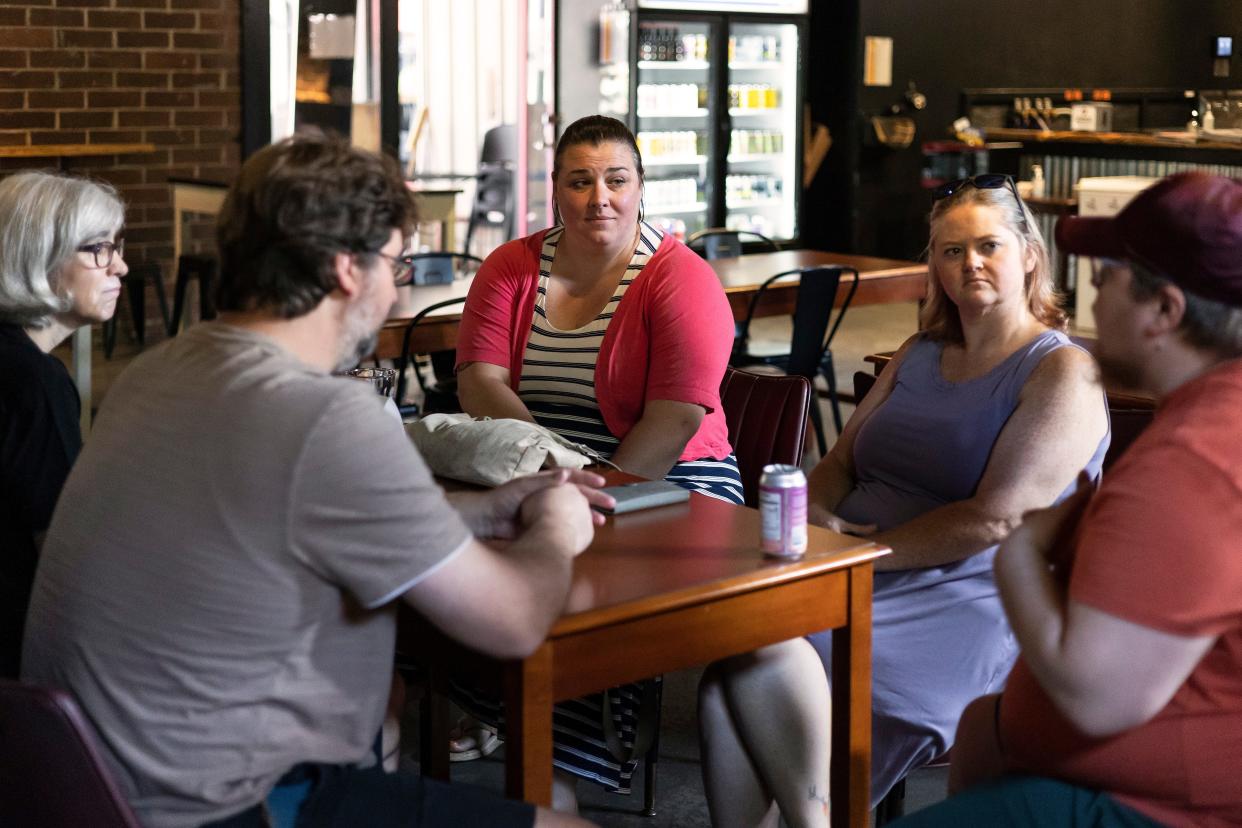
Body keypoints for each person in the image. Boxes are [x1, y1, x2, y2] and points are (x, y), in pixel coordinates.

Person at [21, 135, 607, 828]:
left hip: (78, 791)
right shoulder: (324, 415)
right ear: (346, 270)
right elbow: (513, 622)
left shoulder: (162, 368)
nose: (400, 287)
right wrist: (554, 531)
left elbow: (277, 517)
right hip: (223, 808)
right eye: (396, 263)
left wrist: (482, 512)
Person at [698, 174, 1112, 826]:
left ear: (1029, 254)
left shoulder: (1062, 370)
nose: (969, 262)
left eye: (987, 245)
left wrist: (852, 553)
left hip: (964, 599)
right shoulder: (919, 353)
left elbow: (996, 517)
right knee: (732, 669)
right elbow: (835, 464)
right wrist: (813, 517)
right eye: (950, 250)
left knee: (765, 646)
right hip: (853, 567)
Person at [895, 173, 1242, 827]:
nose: (1092, 294)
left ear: (1164, 311)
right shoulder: (1210, 420)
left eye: (1107, 276)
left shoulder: (1191, 461)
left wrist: (1020, 552)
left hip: (1152, 809)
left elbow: (1095, 700)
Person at [452, 115, 741, 804]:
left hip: (674, 475)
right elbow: (478, 380)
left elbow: (674, 419)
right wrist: (548, 470)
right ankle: (503, 708)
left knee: (573, 570)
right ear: (555, 188)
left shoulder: (680, 277)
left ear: (641, 186)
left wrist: (588, 489)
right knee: (455, 549)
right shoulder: (512, 266)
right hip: (540, 467)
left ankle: (564, 750)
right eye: (579, 181)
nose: (598, 198)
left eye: (616, 180)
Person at [0, 170, 127, 679]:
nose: (120, 264)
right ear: (39, 257)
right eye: (99, 249)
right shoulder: (34, 383)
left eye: (117, 245)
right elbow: (62, 555)